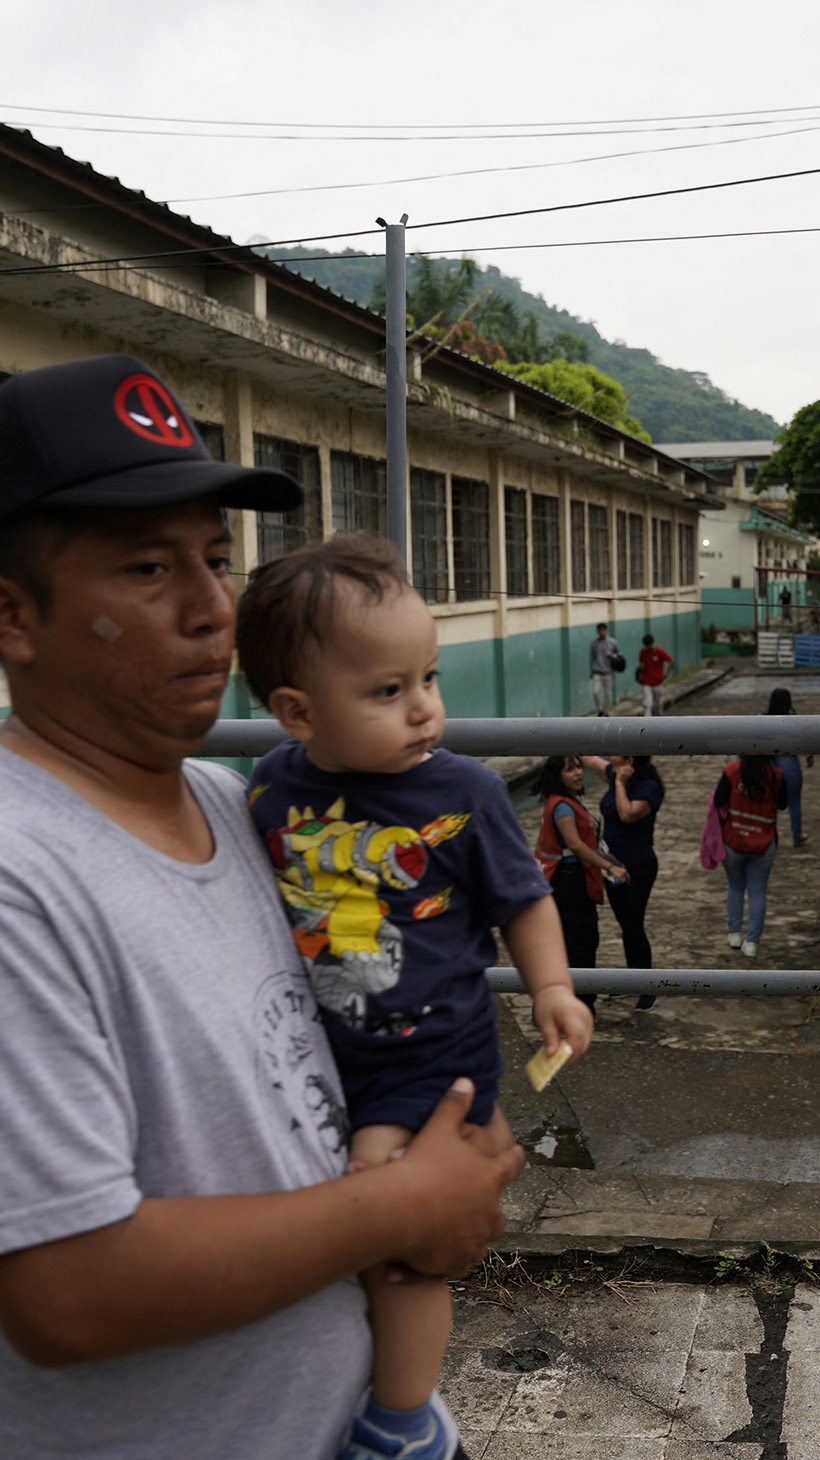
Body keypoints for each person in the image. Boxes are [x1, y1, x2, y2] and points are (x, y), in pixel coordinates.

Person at [0, 354, 526, 1460]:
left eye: (216, 557)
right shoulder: (20, 872)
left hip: (364, 1419)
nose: (212, 608)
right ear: (12, 615)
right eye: (148, 568)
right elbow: (67, 1292)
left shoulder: (238, 803)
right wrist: (408, 1202)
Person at [236, 535, 593, 1460]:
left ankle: (402, 1425)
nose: (426, 707)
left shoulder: (464, 791)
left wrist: (551, 987)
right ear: (296, 711)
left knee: (392, 1239)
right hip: (322, 1053)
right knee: (342, 1245)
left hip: (430, 1070)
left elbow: (523, 900)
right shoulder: (270, 789)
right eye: (388, 692)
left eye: (427, 678)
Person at [533, 754, 630, 1016]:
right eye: (569, 770)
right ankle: (579, 1007)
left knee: (571, 943)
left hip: (567, 882)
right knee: (580, 943)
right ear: (557, 776)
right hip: (569, 884)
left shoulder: (566, 802)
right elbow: (575, 845)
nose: (577, 773)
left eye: (578, 767)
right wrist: (609, 866)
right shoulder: (562, 807)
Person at [582, 754, 665, 1012]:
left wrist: (618, 784)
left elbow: (627, 814)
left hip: (638, 867)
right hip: (612, 866)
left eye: (616, 752)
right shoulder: (615, 772)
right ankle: (633, 979)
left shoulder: (649, 788)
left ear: (630, 759)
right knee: (625, 925)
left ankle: (648, 989)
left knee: (633, 925)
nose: (611, 756)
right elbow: (589, 759)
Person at [715, 753, 786, 957]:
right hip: (764, 842)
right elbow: (782, 804)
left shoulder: (732, 771)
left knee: (735, 887)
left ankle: (734, 933)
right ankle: (752, 942)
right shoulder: (776, 775)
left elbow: (719, 799)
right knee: (758, 892)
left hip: (734, 840)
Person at [766, 686, 812, 846]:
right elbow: (804, 740)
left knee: (768, 803)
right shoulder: (794, 720)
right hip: (789, 762)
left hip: (770, 764)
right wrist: (808, 757)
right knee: (794, 803)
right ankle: (797, 836)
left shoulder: (762, 718)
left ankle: (769, 838)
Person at [589, 622, 622, 716]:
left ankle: (607, 712)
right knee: (595, 692)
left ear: (606, 631)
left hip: (608, 671)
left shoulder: (612, 642)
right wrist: (591, 671)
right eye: (600, 630)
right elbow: (591, 658)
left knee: (608, 694)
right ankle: (600, 710)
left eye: (604, 630)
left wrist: (613, 656)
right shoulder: (594, 644)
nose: (602, 632)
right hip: (597, 671)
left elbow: (619, 654)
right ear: (597, 632)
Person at [638, 633, 673, 717]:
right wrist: (640, 674)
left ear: (652, 643)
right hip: (647, 682)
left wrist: (667, 673)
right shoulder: (643, 652)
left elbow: (671, 660)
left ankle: (658, 715)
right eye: (646, 646)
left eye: (649, 646)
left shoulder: (659, 652)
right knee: (647, 703)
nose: (648, 648)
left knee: (658, 703)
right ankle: (647, 721)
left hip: (657, 682)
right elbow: (641, 663)